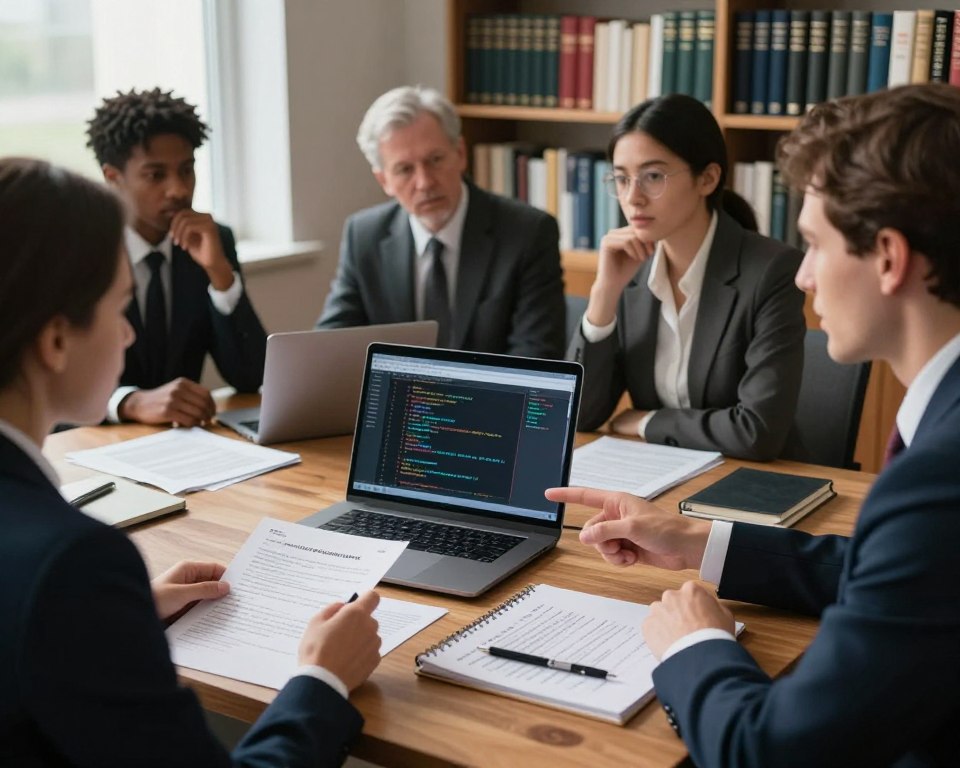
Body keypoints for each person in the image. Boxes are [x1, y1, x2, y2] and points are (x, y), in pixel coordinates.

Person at [548, 83, 960, 766]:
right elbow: (892, 571)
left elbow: (764, 752)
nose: (802, 276)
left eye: (814, 244)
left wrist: (693, 641)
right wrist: (697, 539)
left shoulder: (938, 480)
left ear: (888, 257)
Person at [0, 157, 381, 766]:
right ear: (54, 341)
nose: (127, 335)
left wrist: (112, 616)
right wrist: (322, 681)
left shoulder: (68, 577)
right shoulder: (74, 562)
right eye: (119, 309)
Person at [569, 94, 805, 461]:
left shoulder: (772, 271)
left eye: (652, 177)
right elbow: (580, 416)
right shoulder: (631, 271)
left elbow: (757, 432)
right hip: (661, 476)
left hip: (750, 482)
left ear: (707, 179)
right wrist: (604, 293)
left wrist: (649, 422)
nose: (633, 198)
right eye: (620, 178)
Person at [316, 85, 566, 359]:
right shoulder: (364, 235)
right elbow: (332, 343)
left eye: (435, 160)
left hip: (489, 400)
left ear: (460, 153)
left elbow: (536, 356)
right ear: (384, 180)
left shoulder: (528, 233)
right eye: (405, 169)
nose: (424, 182)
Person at [86, 88, 267, 427]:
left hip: (186, 451)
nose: (179, 190)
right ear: (113, 178)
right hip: (98, 450)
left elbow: (250, 376)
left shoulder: (214, 240)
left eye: (186, 170)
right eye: (156, 175)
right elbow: (46, 387)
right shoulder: (79, 251)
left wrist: (220, 274)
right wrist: (128, 402)